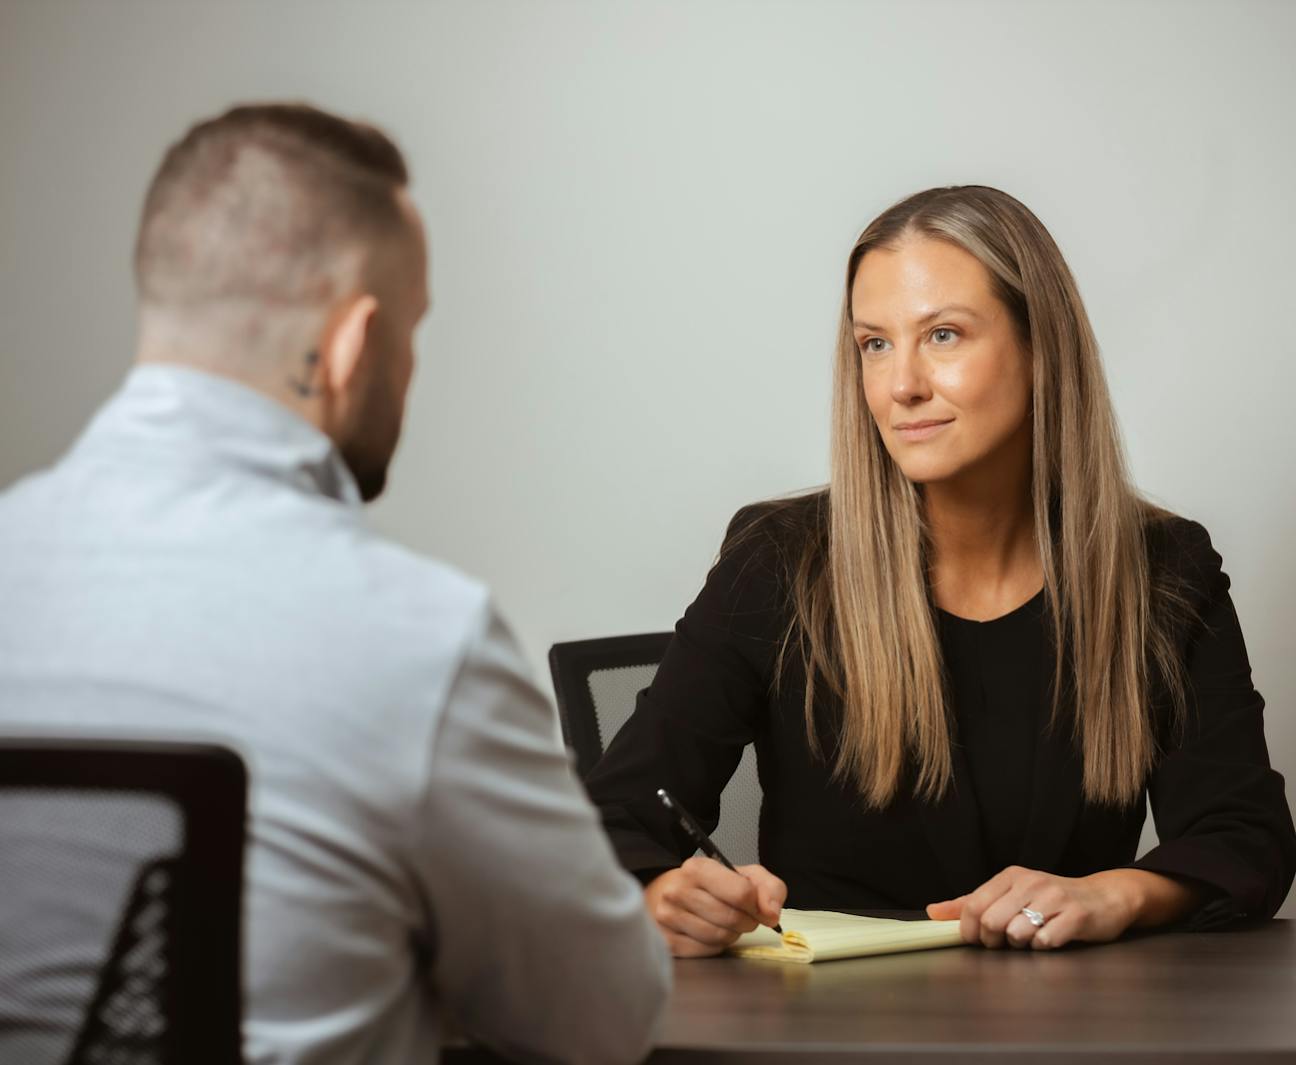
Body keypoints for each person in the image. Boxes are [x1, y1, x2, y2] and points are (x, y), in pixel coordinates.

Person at [0, 103, 669, 1065]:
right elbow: (606, 1021)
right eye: (412, 329)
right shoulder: (420, 640)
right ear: (354, 344)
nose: (409, 366)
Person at [585, 185, 1296, 957]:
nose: (901, 387)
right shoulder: (779, 562)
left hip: (1072, 1027)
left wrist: (1110, 894)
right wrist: (663, 891)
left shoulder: (1163, 571)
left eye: (944, 335)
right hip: (821, 1029)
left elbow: (1245, 836)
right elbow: (616, 816)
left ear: (1040, 345)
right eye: (875, 344)